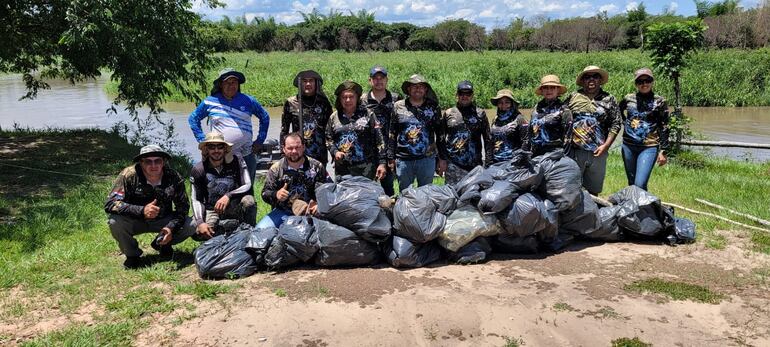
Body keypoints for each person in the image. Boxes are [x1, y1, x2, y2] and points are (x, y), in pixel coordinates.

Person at [105, 145, 196, 269]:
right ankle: (132, 256)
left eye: (157, 161)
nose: (153, 165)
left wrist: (171, 227)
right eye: (148, 161)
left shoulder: (173, 176)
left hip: (163, 220)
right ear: (141, 163)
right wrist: (142, 210)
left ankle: (162, 243)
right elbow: (111, 203)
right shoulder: (129, 175)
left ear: (163, 162)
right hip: (135, 220)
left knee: (192, 224)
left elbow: (183, 207)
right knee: (114, 221)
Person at [189, 68, 271, 184]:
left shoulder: (248, 100)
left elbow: (265, 117)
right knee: (219, 187)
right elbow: (193, 119)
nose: (231, 85)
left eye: (234, 82)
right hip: (219, 155)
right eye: (227, 82)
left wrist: (260, 140)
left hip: (246, 153)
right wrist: (203, 141)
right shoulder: (210, 101)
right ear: (220, 84)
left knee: (247, 189)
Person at [564, 65, 622, 195]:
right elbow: (561, 118)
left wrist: (606, 146)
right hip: (575, 151)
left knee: (593, 191)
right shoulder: (573, 97)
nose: (591, 79)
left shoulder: (609, 99)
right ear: (583, 80)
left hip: (598, 151)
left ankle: (591, 214)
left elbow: (616, 123)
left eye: (595, 76)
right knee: (572, 188)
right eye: (587, 77)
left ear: (600, 80)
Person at [257, 133, 332, 229]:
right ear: (283, 149)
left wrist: (320, 205)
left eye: (297, 147)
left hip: (311, 212)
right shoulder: (276, 169)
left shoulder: (317, 166)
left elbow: (330, 190)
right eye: (290, 148)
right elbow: (265, 193)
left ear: (303, 147)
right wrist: (276, 194)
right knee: (260, 229)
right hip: (283, 212)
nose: (294, 151)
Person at [190, 132, 257, 240]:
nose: (216, 150)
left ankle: (249, 234)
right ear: (206, 149)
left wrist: (228, 196)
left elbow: (248, 185)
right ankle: (228, 231)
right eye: (212, 147)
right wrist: (200, 222)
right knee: (197, 232)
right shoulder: (198, 169)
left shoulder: (237, 161)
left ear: (225, 148)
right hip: (212, 209)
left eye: (220, 146)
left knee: (249, 201)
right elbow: (196, 200)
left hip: (234, 206)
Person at [388, 74, 442, 192]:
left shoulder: (433, 107)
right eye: (414, 86)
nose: (418, 89)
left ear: (426, 89)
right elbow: (392, 133)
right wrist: (391, 157)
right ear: (408, 89)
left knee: (426, 193)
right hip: (403, 159)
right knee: (405, 194)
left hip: (427, 158)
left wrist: (441, 158)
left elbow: (440, 134)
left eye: (421, 86)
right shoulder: (398, 106)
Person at [619, 68, 670, 190]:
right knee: (632, 183)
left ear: (652, 82)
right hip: (628, 146)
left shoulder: (660, 101)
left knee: (640, 184)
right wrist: (624, 121)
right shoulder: (628, 98)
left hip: (649, 147)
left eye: (647, 80)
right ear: (636, 84)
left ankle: (644, 208)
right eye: (640, 81)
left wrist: (663, 150)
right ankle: (636, 208)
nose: (644, 84)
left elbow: (664, 126)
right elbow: (618, 111)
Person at [326, 80, 387, 181]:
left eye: (351, 97)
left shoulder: (368, 114)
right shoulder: (334, 117)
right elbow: (328, 138)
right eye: (344, 97)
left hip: (366, 168)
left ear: (357, 98)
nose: (348, 100)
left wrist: (382, 163)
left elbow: (379, 139)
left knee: (366, 196)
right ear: (340, 99)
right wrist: (335, 152)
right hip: (343, 169)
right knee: (345, 196)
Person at [437, 80, 492, 185]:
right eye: (461, 93)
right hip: (454, 166)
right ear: (457, 94)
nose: (464, 96)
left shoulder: (480, 114)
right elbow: (440, 138)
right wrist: (442, 159)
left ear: (472, 95)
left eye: (468, 94)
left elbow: (488, 139)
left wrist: (488, 163)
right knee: (452, 197)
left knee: (474, 198)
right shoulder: (449, 113)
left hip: (475, 166)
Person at [362, 65, 401, 196]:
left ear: (387, 80)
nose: (379, 81)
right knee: (367, 189)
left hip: (390, 150)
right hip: (368, 151)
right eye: (375, 78)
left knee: (388, 187)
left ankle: (390, 214)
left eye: (382, 78)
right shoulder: (362, 100)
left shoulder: (396, 99)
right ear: (370, 80)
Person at [281, 70, 333, 166]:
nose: (308, 84)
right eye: (304, 81)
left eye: (311, 81)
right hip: (297, 154)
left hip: (319, 154)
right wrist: (283, 153)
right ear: (300, 83)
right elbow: (284, 130)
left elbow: (330, 130)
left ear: (316, 83)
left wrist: (333, 152)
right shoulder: (291, 103)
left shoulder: (323, 102)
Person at [524, 75, 573, 157]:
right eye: (546, 87)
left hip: (555, 154)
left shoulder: (564, 110)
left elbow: (568, 138)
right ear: (542, 90)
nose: (549, 90)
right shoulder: (537, 108)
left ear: (558, 90)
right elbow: (530, 132)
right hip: (535, 154)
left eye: (552, 87)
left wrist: (565, 158)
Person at [489, 89, 528, 164]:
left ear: (512, 103)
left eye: (507, 102)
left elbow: (526, 141)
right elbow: (491, 142)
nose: (503, 105)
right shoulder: (495, 119)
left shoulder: (520, 119)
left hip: (513, 162)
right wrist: (489, 161)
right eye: (500, 102)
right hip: (496, 161)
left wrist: (520, 162)